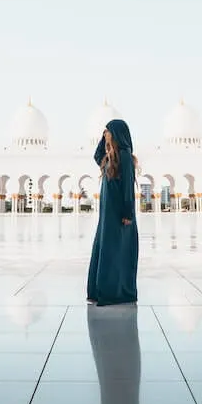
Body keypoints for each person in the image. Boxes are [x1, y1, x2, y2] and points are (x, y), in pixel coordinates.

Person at [87, 119, 139, 306]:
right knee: (104, 250)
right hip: (107, 215)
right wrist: (103, 140)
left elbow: (127, 188)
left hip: (118, 214)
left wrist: (128, 213)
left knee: (116, 252)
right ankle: (99, 291)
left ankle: (116, 292)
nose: (105, 133)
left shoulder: (125, 156)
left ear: (116, 133)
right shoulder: (110, 157)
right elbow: (96, 156)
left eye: (107, 131)